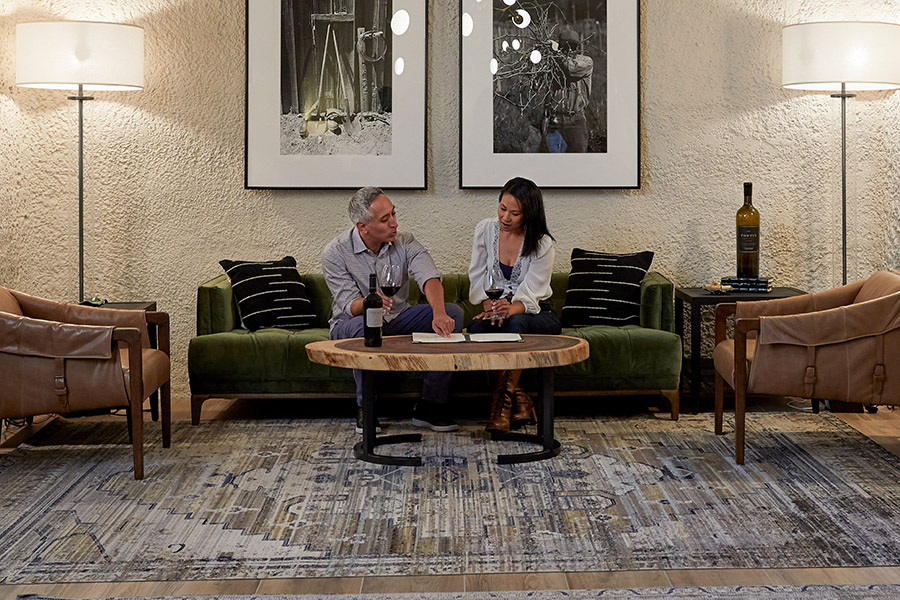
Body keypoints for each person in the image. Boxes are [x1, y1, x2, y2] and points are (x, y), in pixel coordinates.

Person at [323, 187, 464, 434]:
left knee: (454, 313)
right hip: (352, 323)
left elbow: (429, 277)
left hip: (397, 318)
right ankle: (365, 405)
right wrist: (369, 302)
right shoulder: (335, 252)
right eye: (385, 219)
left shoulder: (405, 242)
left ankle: (430, 405)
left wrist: (440, 313)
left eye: (394, 214)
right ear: (362, 227)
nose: (394, 224)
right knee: (364, 324)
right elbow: (348, 304)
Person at [467, 177, 560, 432]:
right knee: (476, 330)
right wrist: (489, 308)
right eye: (502, 208)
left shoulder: (542, 243)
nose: (505, 217)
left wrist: (509, 309)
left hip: (536, 312)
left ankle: (501, 408)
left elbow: (533, 293)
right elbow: (476, 276)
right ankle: (521, 400)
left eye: (514, 213)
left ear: (528, 214)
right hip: (500, 310)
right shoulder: (485, 230)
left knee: (515, 324)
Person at [543, 28, 593, 153]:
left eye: (572, 46)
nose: (569, 49)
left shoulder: (585, 62)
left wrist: (556, 52)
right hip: (554, 120)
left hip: (576, 120)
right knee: (553, 161)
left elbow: (570, 69)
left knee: (578, 159)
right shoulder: (554, 62)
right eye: (565, 46)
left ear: (577, 47)